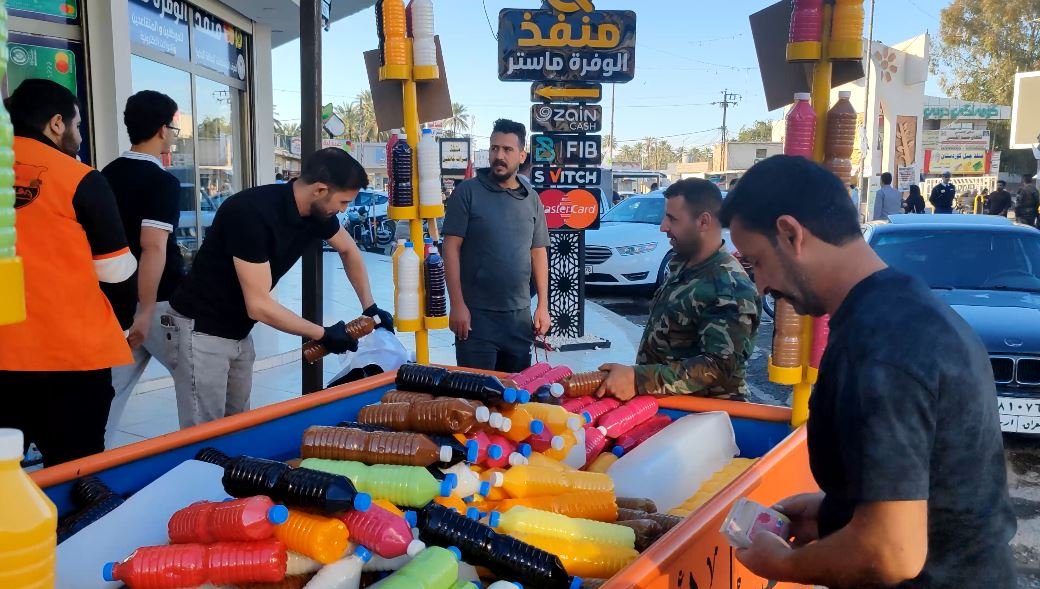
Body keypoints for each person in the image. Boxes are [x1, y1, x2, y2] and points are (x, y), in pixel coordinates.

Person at [722, 155, 1016, 589]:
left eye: (757, 262)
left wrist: (782, 565)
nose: (760, 286)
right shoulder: (905, 307)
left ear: (790, 233)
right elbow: (937, 486)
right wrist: (837, 511)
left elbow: (891, 551)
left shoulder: (881, 347)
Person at [167, 148, 393, 428]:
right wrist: (323, 334)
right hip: (200, 330)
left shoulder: (316, 213)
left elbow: (349, 250)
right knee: (204, 432)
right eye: (343, 201)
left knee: (236, 427)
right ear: (320, 190)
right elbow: (259, 305)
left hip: (238, 331)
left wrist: (370, 307)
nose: (345, 209)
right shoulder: (251, 213)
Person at [0, 79, 137, 465]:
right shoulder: (79, 178)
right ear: (56, 123)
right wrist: (122, 326)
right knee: (75, 470)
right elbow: (116, 272)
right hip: (71, 359)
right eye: (77, 125)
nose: (78, 135)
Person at [596, 179, 759, 401]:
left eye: (672, 219)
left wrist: (638, 379)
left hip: (707, 415)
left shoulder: (728, 286)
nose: (663, 227)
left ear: (703, 222)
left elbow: (718, 367)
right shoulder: (683, 265)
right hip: (670, 405)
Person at [101, 90, 187, 444]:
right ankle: (208, 462)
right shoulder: (162, 181)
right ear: (162, 130)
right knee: (195, 386)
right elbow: (153, 246)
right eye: (173, 128)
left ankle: (90, 466)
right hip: (159, 303)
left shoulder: (105, 174)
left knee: (110, 392)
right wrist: (147, 309)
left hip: (114, 302)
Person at [443, 119, 550, 372]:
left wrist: (543, 306)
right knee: (476, 392)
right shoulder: (467, 192)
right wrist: (457, 305)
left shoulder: (531, 199)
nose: (499, 156)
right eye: (494, 148)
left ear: (521, 155)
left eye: (507, 150)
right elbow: (450, 249)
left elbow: (538, 253)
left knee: (516, 392)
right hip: (475, 319)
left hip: (519, 321)